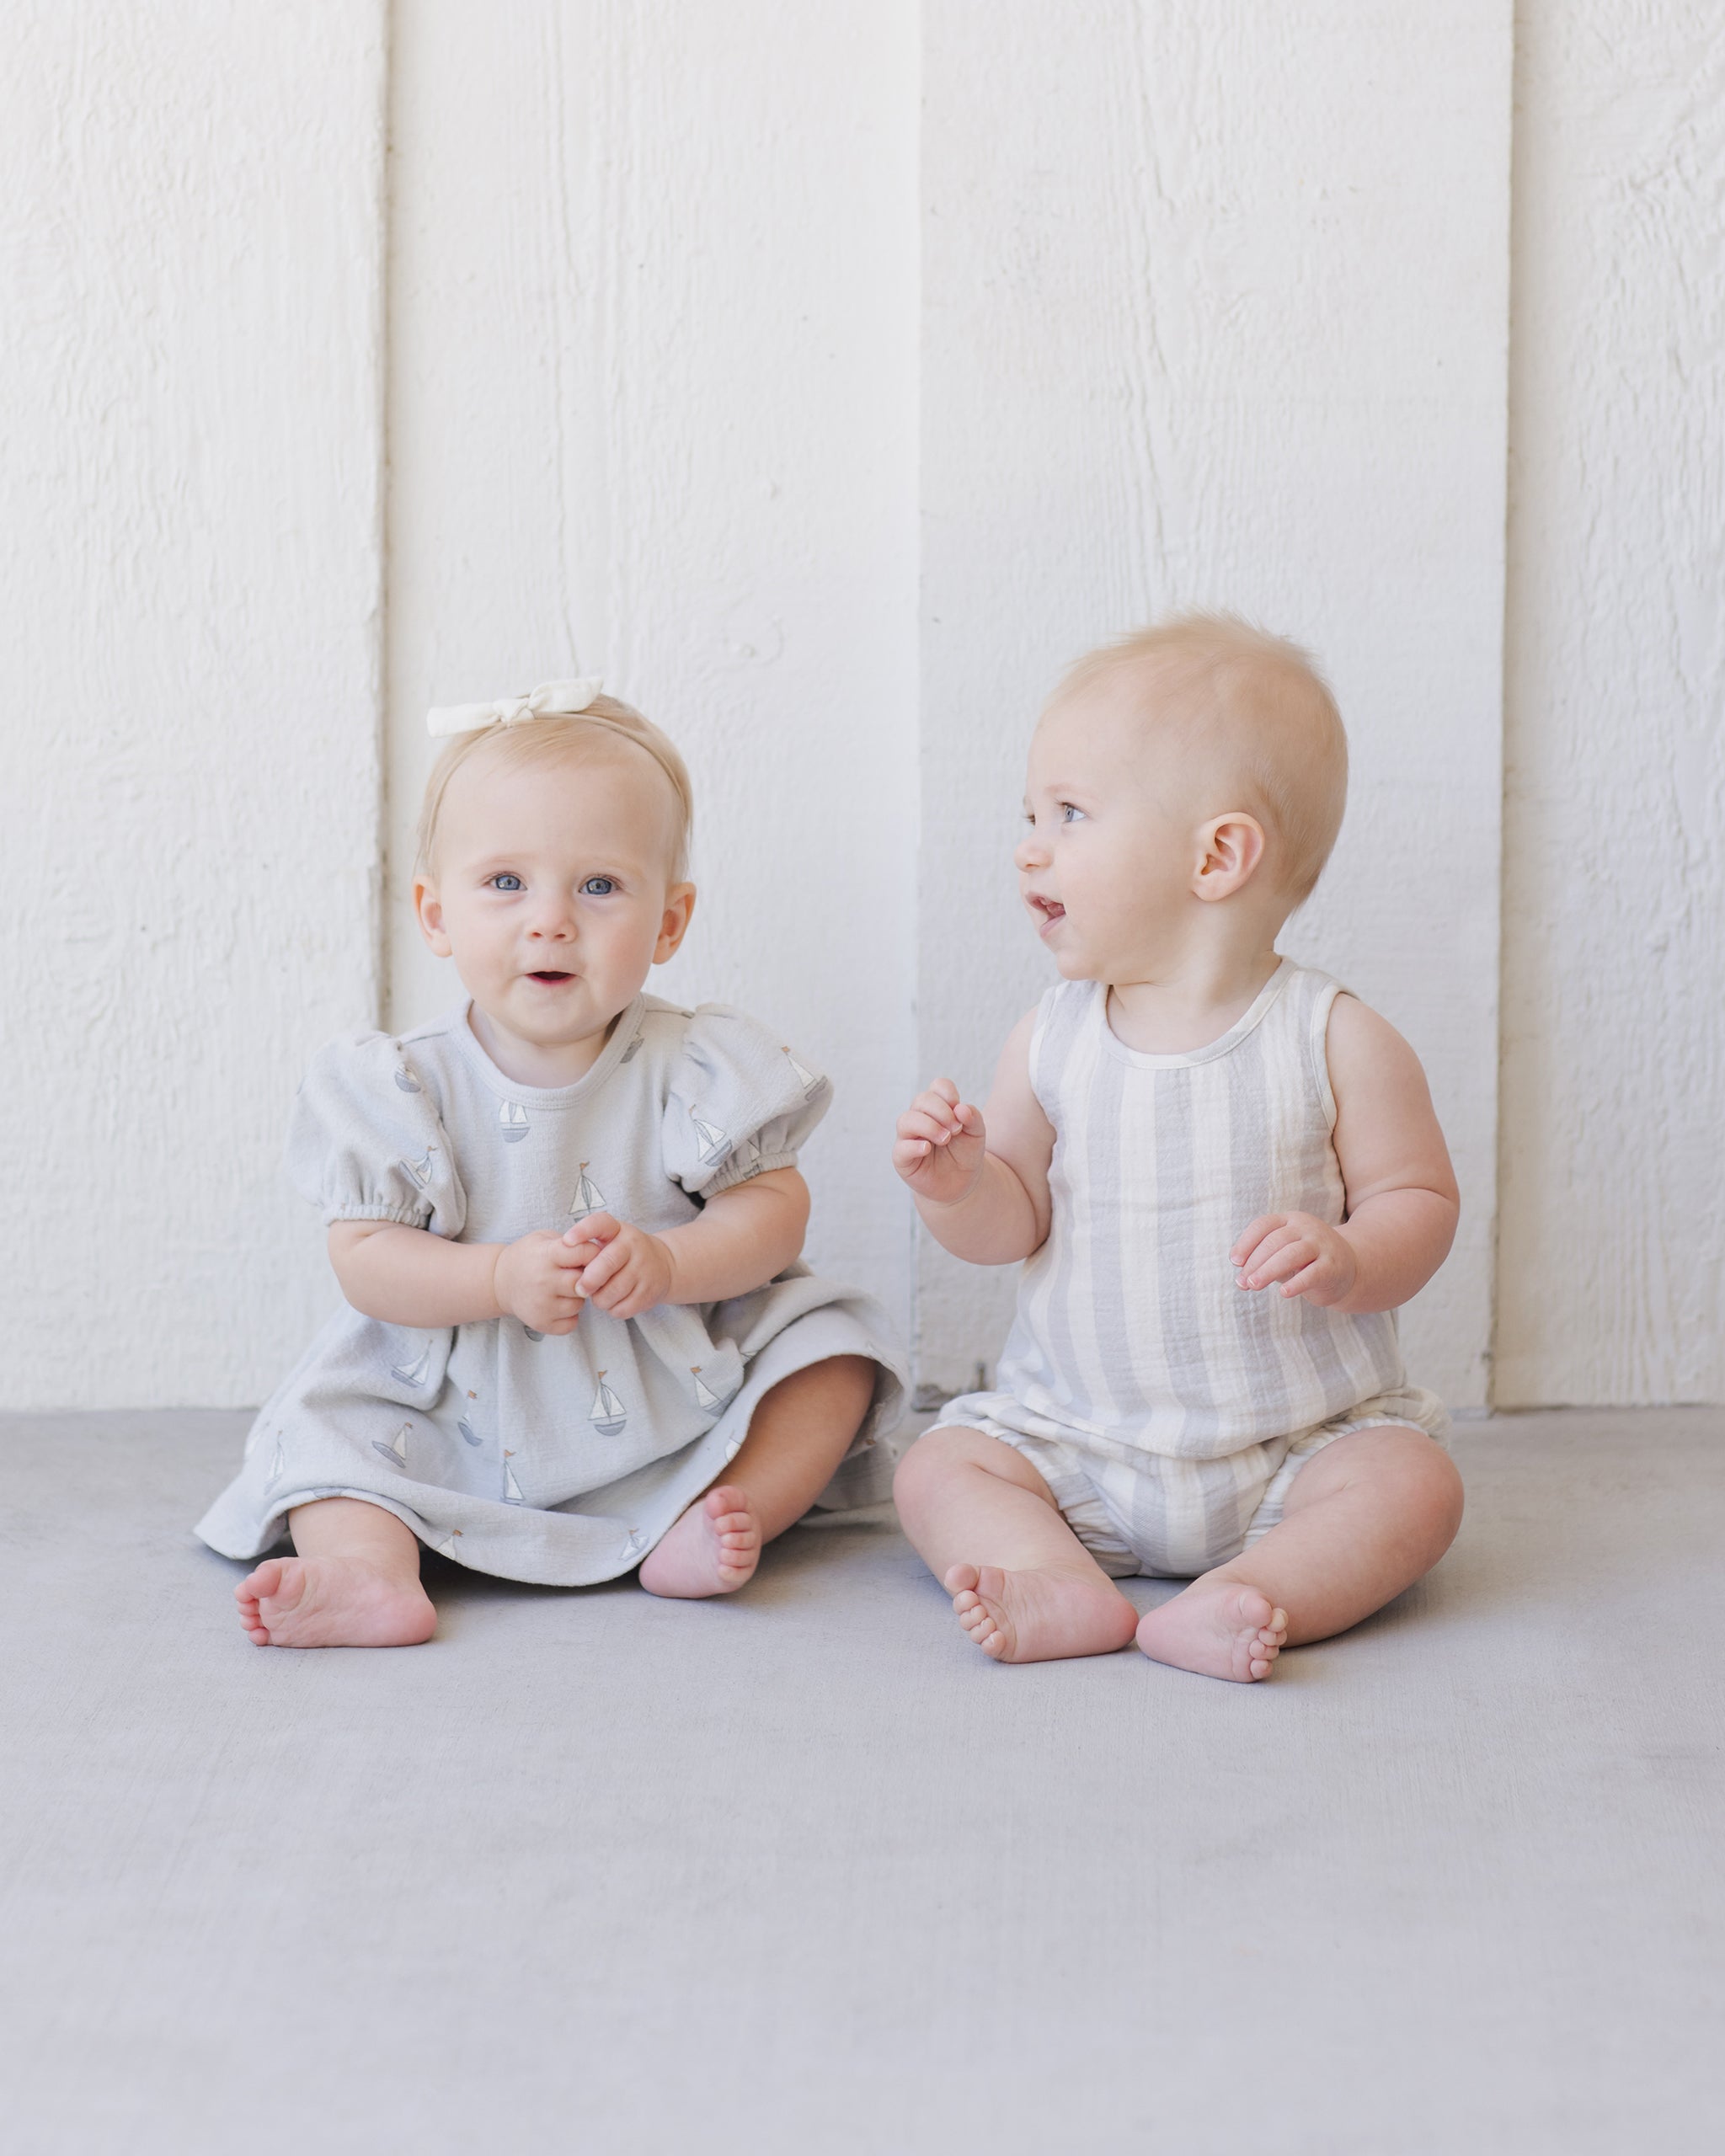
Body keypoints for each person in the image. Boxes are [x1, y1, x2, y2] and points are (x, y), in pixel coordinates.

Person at [199, 680, 904, 1646]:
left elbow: (776, 1209)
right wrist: (493, 1274)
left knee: (834, 1358)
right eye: (504, 883)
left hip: (663, 1370)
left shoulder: (692, 1063)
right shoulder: (402, 1083)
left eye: (599, 886)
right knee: (327, 1438)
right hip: (453, 1400)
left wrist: (673, 1262)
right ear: (435, 913)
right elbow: (363, 1257)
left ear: (668, 921)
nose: (551, 920)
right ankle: (368, 1570)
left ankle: (716, 1509)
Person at [890, 616, 1463, 1680]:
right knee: (936, 1468)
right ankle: (1053, 1574)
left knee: (1412, 1488)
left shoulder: (1332, 1036)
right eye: (1029, 814)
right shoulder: (1050, 1035)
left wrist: (1350, 1257)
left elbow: (1418, 1200)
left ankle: (1258, 1588)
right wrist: (958, 1184)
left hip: (1295, 1450)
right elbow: (1008, 1220)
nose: (1027, 844)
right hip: (1076, 1446)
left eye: (1068, 813)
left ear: (1214, 855)